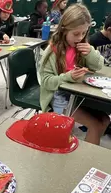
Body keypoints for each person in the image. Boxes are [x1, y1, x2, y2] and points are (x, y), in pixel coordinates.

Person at [40, 4, 110, 145]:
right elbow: (46, 81)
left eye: (84, 33)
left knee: (105, 120)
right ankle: (85, 161)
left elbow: (98, 66)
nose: (80, 37)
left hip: (77, 95)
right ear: (64, 30)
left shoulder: (79, 46)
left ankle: (87, 149)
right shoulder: (52, 50)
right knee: (95, 125)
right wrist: (68, 77)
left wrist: (90, 52)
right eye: (76, 34)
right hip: (58, 98)